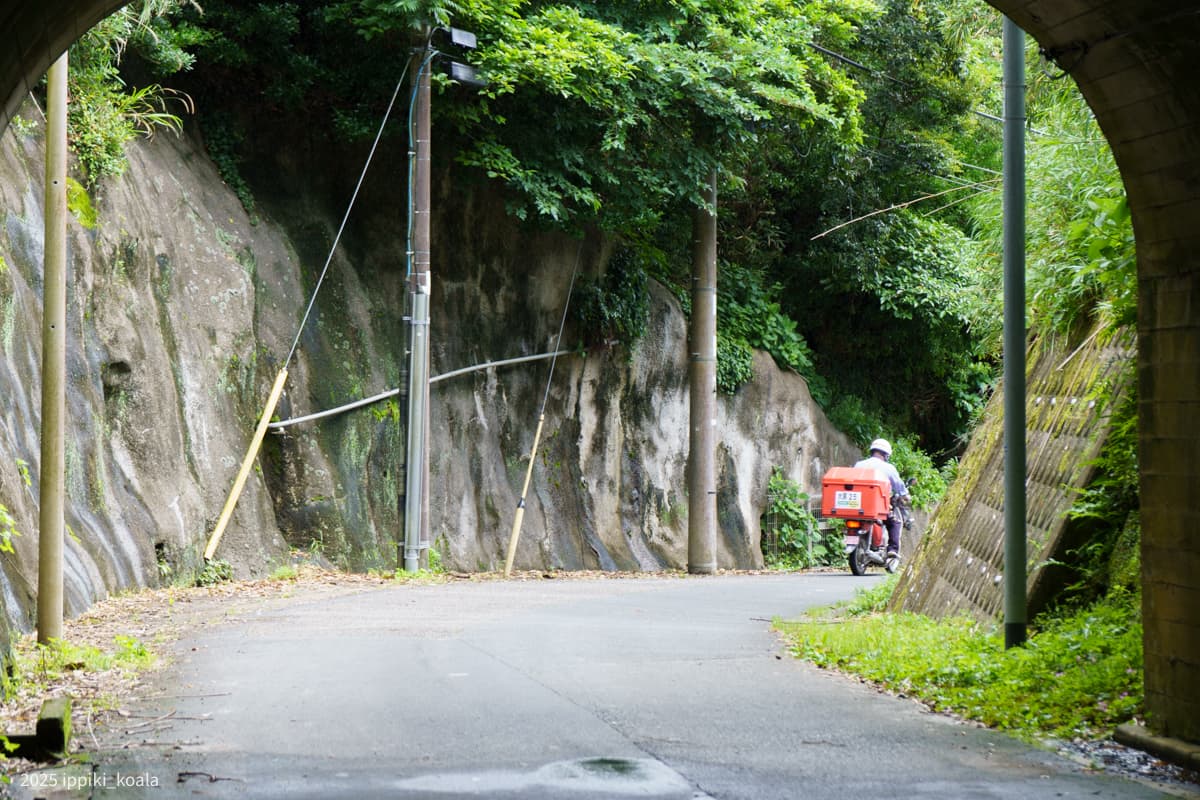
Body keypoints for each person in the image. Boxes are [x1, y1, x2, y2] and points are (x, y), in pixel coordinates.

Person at [853, 438, 909, 560]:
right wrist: (905, 495)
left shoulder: (858, 465)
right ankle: (892, 550)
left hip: (856, 505)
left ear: (872, 451)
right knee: (895, 523)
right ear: (886, 454)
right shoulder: (889, 468)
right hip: (877, 508)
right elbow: (899, 486)